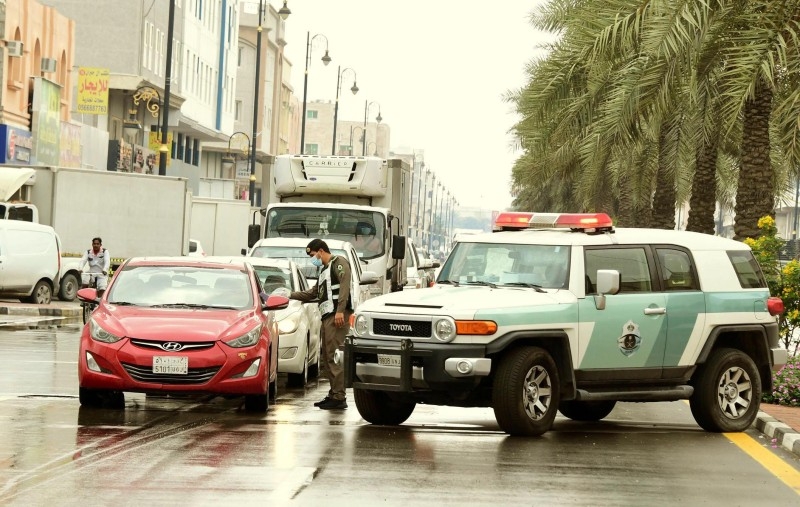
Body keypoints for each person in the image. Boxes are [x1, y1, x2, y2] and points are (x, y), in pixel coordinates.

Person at [289, 238, 353, 410]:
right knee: (327, 356)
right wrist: (289, 295)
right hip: (328, 317)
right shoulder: (324, 270)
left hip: (337, 316)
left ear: (320, 251)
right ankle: (334, 393)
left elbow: (344, 285)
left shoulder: (339, 263)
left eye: (312, 254)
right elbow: (312, 293)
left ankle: (339, 397)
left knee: (334, 356)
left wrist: (340, 310)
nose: (313, 258)